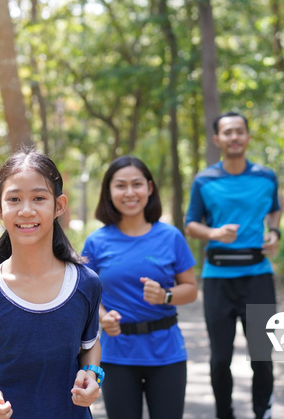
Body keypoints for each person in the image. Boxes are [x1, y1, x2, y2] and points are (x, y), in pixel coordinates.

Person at [0, 147, 104, 418]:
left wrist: (93, 375)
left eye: (38, 198)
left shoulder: (86, 284)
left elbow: (89, 343)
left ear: (59, 206)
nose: (26, 210)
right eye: (14, 199)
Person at [81, 156, 198, 419]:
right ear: (109, 192)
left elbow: (190, 289)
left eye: (137, 184)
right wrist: (102, 317)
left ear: (150, 188)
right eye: (121, 185)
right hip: (116, 355)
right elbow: (86, 294)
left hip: (167, 353)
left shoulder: (171, 237)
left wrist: (165, 295)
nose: (130, 192)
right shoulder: (96, 242)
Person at [185, 111, 281, 419]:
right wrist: (214, 233)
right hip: (218, 279)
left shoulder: (266, 177)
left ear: (248, 137)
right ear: (218, 140)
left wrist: (275, 233)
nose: (234, 137)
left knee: (261, 357)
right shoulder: (204, 180)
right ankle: (224, 414)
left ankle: (261, 412)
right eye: (228, 132)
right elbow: (191, 225)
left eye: (240, 131)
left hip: (258, 277)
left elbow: (275, 211)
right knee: (219, 359)